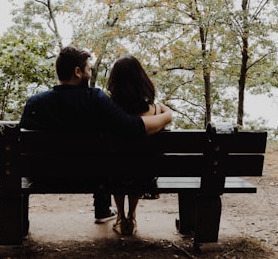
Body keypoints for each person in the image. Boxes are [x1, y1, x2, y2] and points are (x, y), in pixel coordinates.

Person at [19, 46, 172, 224]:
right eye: (88, 69)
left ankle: (19, 225)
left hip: (41, 177)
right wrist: (166, 116)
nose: (90, 73)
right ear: (78, 72)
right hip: (90, 178)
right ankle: (103, 210)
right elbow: (134, 127)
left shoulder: (35, 104)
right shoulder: (96, 100)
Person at [106, 55, 162, 235]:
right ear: (141, 79)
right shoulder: (154, 111)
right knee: (138, 165)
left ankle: (121, 217)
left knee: (116, 167)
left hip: (113, 174)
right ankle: (132, 216)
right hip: (144, 176)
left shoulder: (109, 110)